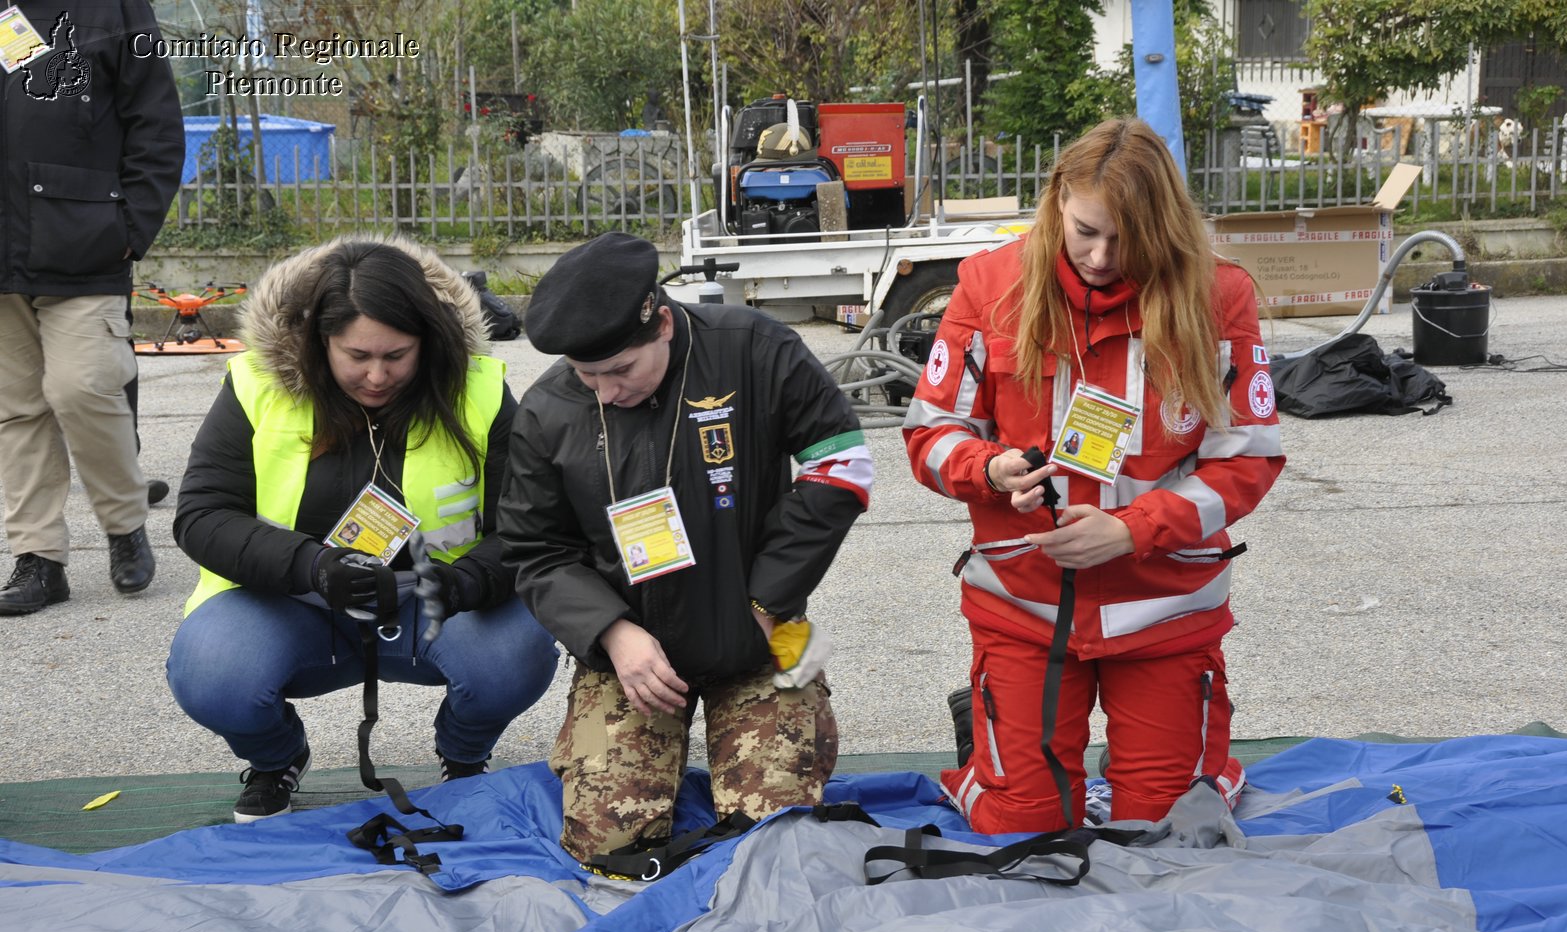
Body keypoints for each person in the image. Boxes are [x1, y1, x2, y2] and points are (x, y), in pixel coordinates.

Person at [904, 118, 1285, 834]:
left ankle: (1198, 765)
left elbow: (1249, 458)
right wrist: (986, 469)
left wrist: (1133, 529)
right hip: (1025, 606)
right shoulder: (988, 284)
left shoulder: (1219, 294)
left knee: (1167, 829)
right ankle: (988, 752)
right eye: (1085, 231)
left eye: (1125, 239)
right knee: (1024, 826)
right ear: (1056, 200)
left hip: (1165, 609)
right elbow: (928, 432)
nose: (1103, 256)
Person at [499, 231, 872, 868]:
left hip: (770, 627)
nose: (606, 392)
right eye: (587, 375)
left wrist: (771, 595)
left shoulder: (754, 346)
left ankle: (806, 712)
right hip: (629, 651)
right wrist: (612, 633)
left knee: (777, 840)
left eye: (621, 370)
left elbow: (841, 467)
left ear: (663, 323)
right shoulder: (548, 408)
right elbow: (535, 550)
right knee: (605, 845)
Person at [166, 236, 559, 823]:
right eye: (356, 356)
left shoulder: (478, 388)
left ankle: (463, 754)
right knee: (212, 674)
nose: (376, 376)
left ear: (430, 340)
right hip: (291, 598)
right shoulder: (255, 384)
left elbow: (532, 528)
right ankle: (277, 760)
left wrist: (463, 584)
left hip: (436, 603)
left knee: (517, 652)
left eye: (397, 355)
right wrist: (312, 567)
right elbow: (202, 516)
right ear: (318, 341)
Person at [0, 0, 183, 614]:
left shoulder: (118, 7)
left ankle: (125, 524)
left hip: (85, 241)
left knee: (85, 388)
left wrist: (130, 227)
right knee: (18, 409)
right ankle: (39, 559)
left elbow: (156, 123)